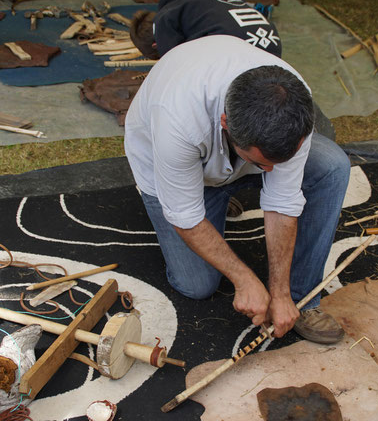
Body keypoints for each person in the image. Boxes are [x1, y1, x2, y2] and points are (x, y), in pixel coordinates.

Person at [124, 35, 350, 343]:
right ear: (226, 124)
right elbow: (186, 216)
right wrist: (244, 279)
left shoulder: (296, 102)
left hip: (236, 154)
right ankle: (214, 195)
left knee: (333, 167)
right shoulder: (178, 118)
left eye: (275, 164)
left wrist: (280, 293)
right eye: (262, 164)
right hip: (172, 163)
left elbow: (282, 201)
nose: (269, 173)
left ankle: (301, 298)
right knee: (198, 285)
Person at [129, 0, 282, 60]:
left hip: (244, 56)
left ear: (156, 44)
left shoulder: (164, 20)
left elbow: (174, 66)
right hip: (272, 46)